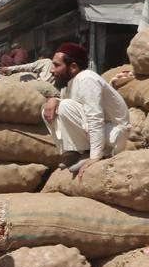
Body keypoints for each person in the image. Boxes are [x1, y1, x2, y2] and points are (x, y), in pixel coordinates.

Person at [42, 42, 129, 179]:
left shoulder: (86, 79)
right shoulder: (68, 83)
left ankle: (88, 153)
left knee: (65, 106)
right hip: (98, 133)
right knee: (49, 109)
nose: (52, 70)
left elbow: (95, 118)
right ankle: (74, 152)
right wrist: (53, 100)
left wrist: (95, 157)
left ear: (74, 67)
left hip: (113, 135)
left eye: (57, 65)